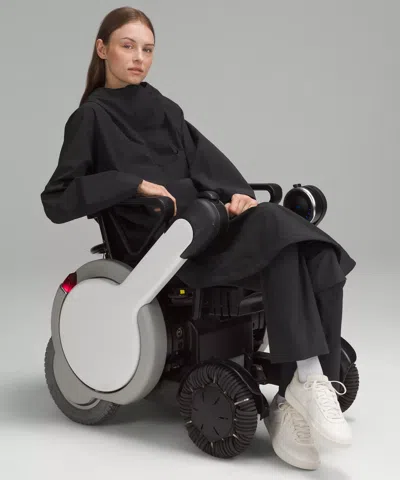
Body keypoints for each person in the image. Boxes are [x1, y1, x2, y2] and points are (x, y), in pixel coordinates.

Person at [40, 6, 357, 471]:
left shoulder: (165, 110)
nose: (139, 58)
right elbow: (57, 199)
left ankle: (302, 393)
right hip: (165, 248)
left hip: (207, 227)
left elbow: (210, 165)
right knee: (278, 227)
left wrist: (236, 196)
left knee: (311, 250)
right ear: (102, 49)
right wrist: (131, 184)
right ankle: (305, 384)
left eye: (148, 49)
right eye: (128, 46)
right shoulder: (90, 118)